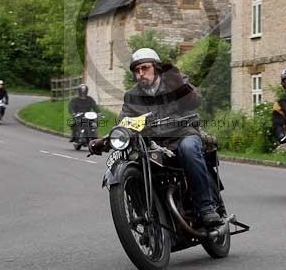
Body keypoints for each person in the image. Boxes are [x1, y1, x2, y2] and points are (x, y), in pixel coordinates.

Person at [90, 48, 222, 227]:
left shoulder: (173, 83)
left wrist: (178, 85)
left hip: (182, 134)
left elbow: (195, 101)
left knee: (189, 149)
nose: (141, 74)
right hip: (152, 144)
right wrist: (105, 141)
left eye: (145, 68)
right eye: (137, 71)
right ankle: (149, 213)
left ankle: (206, 207)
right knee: (133, 160)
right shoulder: (132, 96)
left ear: (157, 68)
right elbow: (125, 123)